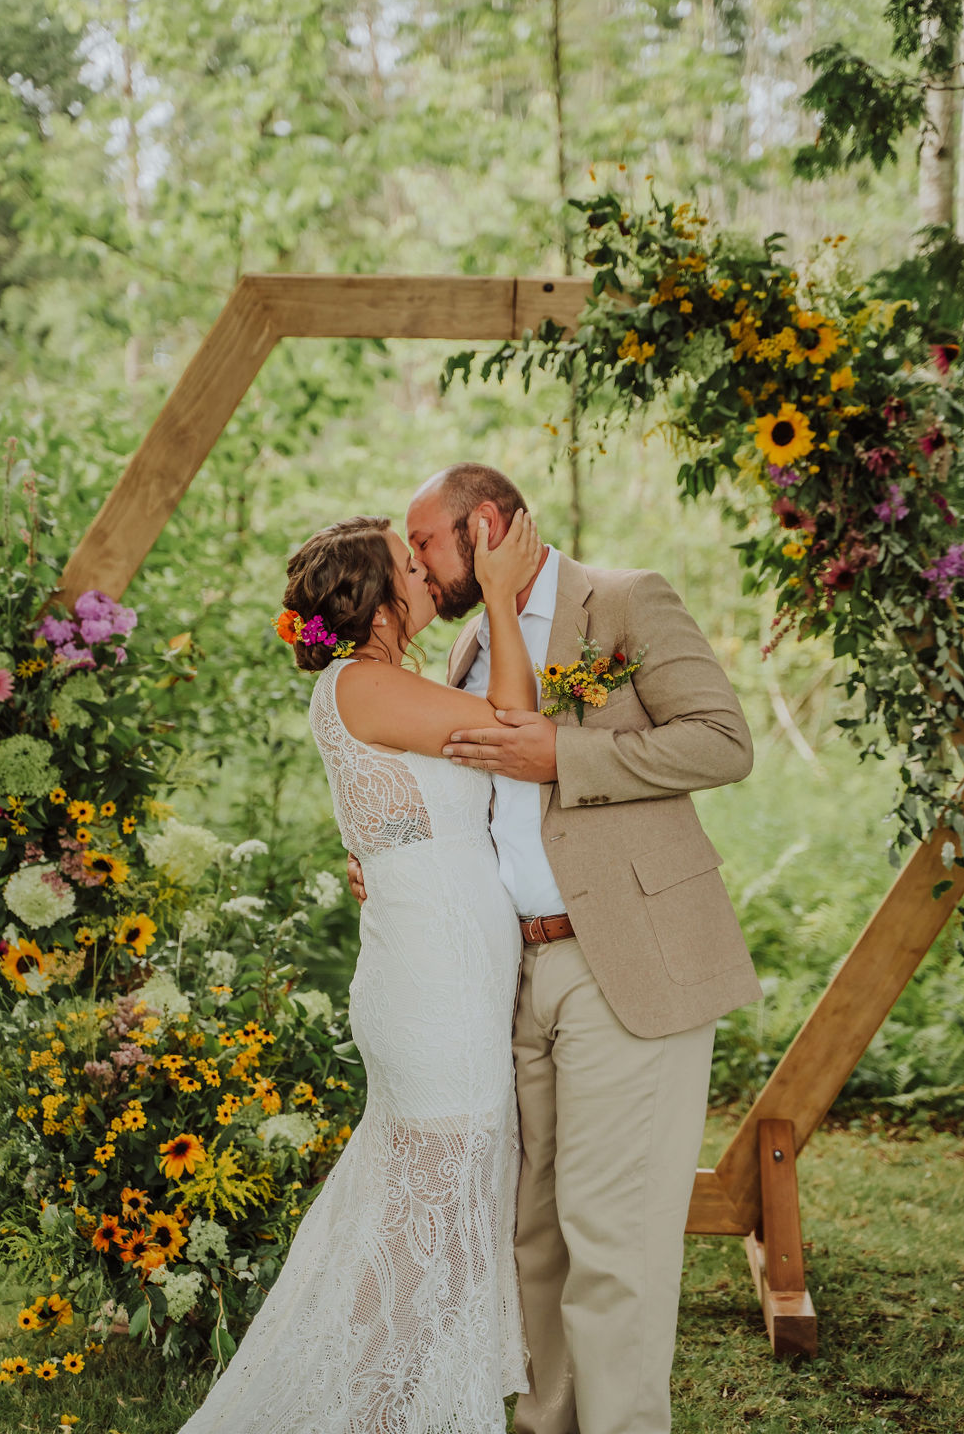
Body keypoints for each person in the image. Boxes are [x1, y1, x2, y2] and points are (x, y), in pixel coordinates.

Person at [351, 464, 762, 1434]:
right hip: (511, 975)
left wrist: (564, 758)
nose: (415, 568)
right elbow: (460, 800)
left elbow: (722, 741)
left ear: (485, 528)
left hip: (625, 959)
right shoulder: (462, 649)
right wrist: (389, 864)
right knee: (533, 1233)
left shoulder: (623, 602)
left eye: (426, 548)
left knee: (612, 1239)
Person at [178, 508, 543, 1434]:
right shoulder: (365, 687)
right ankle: (373, 1408)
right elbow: (516, 724)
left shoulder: (378, 684)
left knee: (426, 1216)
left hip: (442, 971)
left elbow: (422, 815)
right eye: (407, 563)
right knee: (430, 1224)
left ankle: (384, 1404)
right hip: (434, 985)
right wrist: (500, 595)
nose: (425, 571)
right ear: (378, 601)